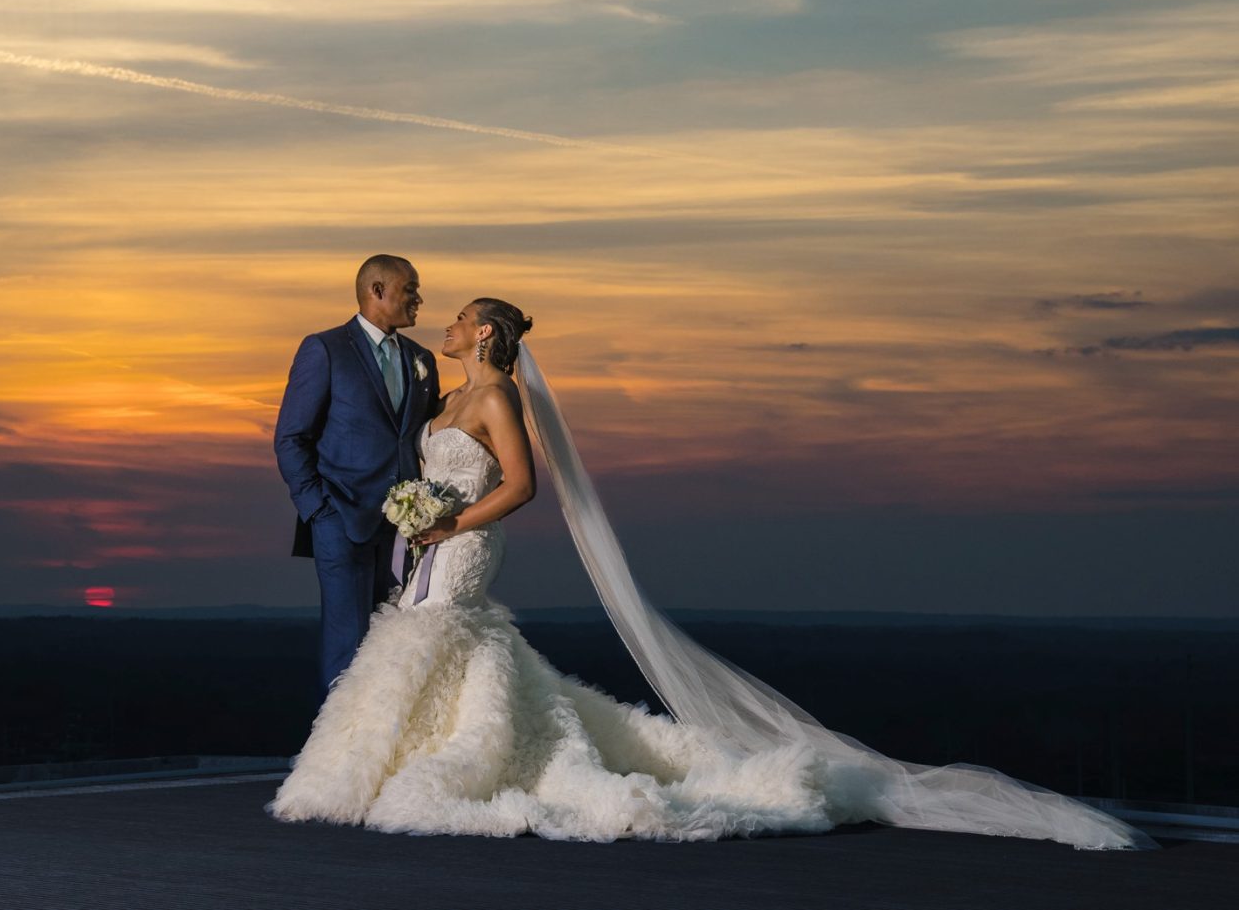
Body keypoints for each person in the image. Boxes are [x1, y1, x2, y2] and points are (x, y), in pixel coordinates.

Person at [266, 297, 1159, 850]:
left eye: (461, 315)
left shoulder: (495, 396)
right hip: (427, 537)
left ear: (487, 334)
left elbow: (524, 485)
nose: (445, 322)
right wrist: (412, 514)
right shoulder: (444, 390)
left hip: (463, 541)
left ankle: (437, 759)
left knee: (442, 632)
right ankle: (414, 748)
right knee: (437, 641)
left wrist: (450, 520)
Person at [273, 254, 442, 703]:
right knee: (346, 644)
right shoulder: (324, 349)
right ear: (378, 291)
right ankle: (337, 761)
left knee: (394, 644)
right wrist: (318, 510)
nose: (419, 299)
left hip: (407, 530)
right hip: (340, 519)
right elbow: (291, 438)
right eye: (411, 289)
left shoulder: (421, 359)